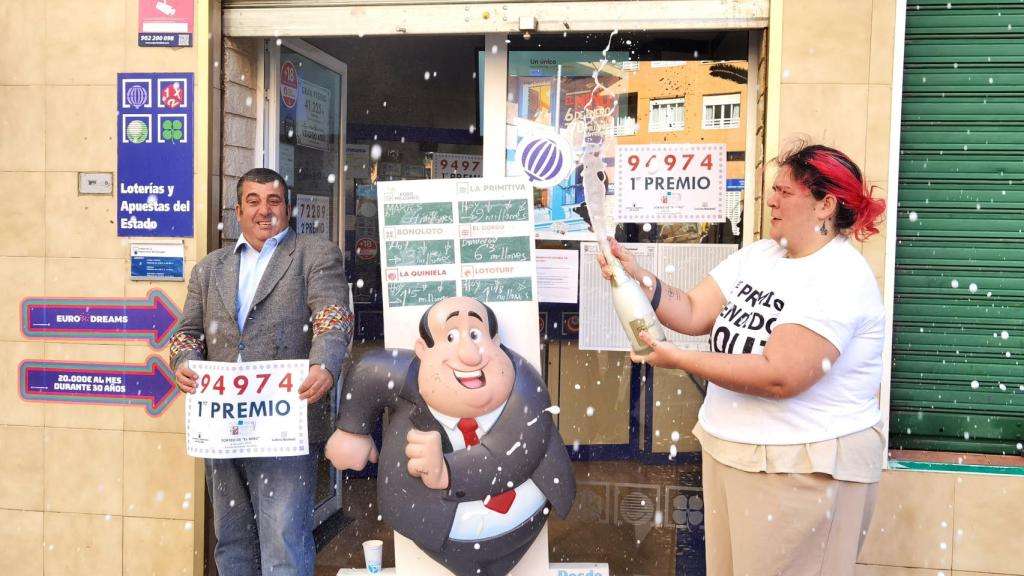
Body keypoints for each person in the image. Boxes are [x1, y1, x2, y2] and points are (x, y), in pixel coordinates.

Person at [598, 143, 887, 576]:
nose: (770, 200)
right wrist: (636, 274)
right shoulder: (761, 256)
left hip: (801, 470)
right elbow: (694, 311)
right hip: (734, 455)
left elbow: (779, 376)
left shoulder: (839, 276)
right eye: (773, 189)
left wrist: (679, 360)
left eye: (785, 192)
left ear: (825, 204)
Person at [169, 168, 353, 576]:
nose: (264, 210)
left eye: (274, 201)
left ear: (288, 209)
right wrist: (183, 362)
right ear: (238, 210)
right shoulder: (209, 269)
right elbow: (186, 333)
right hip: (222, 428)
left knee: (284, 541)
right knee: (232, 543)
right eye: (253, 201)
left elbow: (332, 316)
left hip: (283, 427)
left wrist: (325, 363)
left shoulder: (314, 254)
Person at [325, 296, 575, 576]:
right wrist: (351, 429)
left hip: (523, 527)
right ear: (422, 349)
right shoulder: (406, 378)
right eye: (452, 336)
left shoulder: (527, 392)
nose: (470, 354)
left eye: (476, 335)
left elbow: (516, 451)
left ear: (496, 340)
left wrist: (448, 472)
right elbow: (369, 371)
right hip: (437, 534)